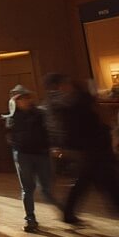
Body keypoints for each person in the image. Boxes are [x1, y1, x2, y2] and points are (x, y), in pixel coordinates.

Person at [44, 73, 119, 224]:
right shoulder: (64, 104)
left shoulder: (69, 101)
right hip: (89, 148)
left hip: (90, 147)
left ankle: (68, 213)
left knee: (86, 181)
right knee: (109, 184)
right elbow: (68, 126)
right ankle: (68, 213)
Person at [4, 85, 62, 232]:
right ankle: (30, 219)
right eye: (18, 98)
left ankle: (66, 212)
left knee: (46, 189)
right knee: (27, 188)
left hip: (41, 154)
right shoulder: (13, 116)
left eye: (24, 98)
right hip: (23, 154)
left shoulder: (39, 114)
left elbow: (49, 130)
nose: (22, 101)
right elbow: (9, 135)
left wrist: (53, 146)